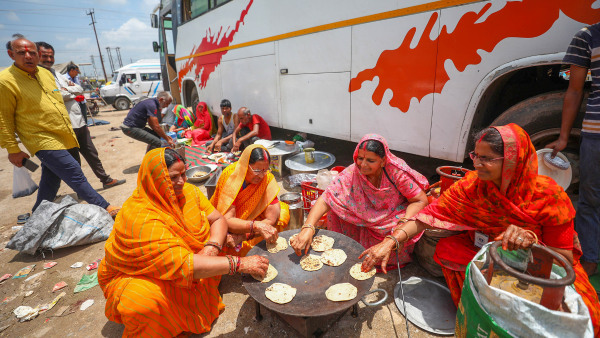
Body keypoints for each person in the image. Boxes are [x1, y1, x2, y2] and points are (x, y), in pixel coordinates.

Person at [371, 124, 599, 334]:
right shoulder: (472, 187)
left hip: (537, 267)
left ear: (513, 160)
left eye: (487, 158)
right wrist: (390, 242)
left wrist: (531, 242)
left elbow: (565, 259)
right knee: (448, 250)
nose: (476, 164)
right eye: (475, 156)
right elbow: (427, 217)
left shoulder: (548, 196)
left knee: (586, 314)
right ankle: (473, 310)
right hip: (491, 253)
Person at [98, 148, 269, 336]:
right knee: (142, 303)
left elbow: (218, 219)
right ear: (154, 179)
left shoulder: (189, 192)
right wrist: (240, 264)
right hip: (146, 274)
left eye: (184, 174)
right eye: (173, 177)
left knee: (226, 243)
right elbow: (182, 264)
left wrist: (212, 247)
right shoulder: (139, 217)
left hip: (193, 262)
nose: (182, 181)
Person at [0, 36, 119, 216]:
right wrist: (12, 148)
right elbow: (4, 118)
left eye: (32, 53)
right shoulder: (5, 81)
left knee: (51, 179)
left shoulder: (46, 74)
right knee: (73, 171)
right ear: (11, 54)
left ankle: (38, 214)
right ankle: (105, 207)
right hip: (39, 137)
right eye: (21, 53)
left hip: (62, 133)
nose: (28, 56)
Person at [291, 134, 429, 271]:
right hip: (360, 217)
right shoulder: (352, 172)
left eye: (370, 160)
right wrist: (308, 227)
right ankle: (346, 251)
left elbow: (420, 200)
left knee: (400, 230)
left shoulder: (396, 173)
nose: (362, 164)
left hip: (389, 219)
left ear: (383, 161)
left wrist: (402, 224)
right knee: (334, 211)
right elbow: (326, 199)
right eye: (360, 158)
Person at [546, 23, 600, 277]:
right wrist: (563, 137)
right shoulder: (588, 36)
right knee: (591, 198)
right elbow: (575, 88)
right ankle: (589, 260)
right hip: (596, 132)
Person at [36, 41, 125, 190]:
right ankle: (82, 190)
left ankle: (105, 179)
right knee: (73, 161)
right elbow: (58, 94)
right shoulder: (38, 75)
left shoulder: (55, 72)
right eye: (45, 56)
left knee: (91, 153)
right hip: (65, 125)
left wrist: (69, 90)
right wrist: (70, 91)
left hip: (79, 122)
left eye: (51, 56)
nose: (49, 59)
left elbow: (77, 89)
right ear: (36, 55)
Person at [210, 145, 290, 256]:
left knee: (282, 215)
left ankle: (245, 239)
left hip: (250, 225)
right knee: (226, 238)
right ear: (245, 165)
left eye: (265, 170)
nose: (261, 175)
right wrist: (256, 226)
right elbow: (227, 219)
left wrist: (245, 235)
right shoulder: (232, 177)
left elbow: (272, 218)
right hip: (232, 222)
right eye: (257, 170)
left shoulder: (266, 178)